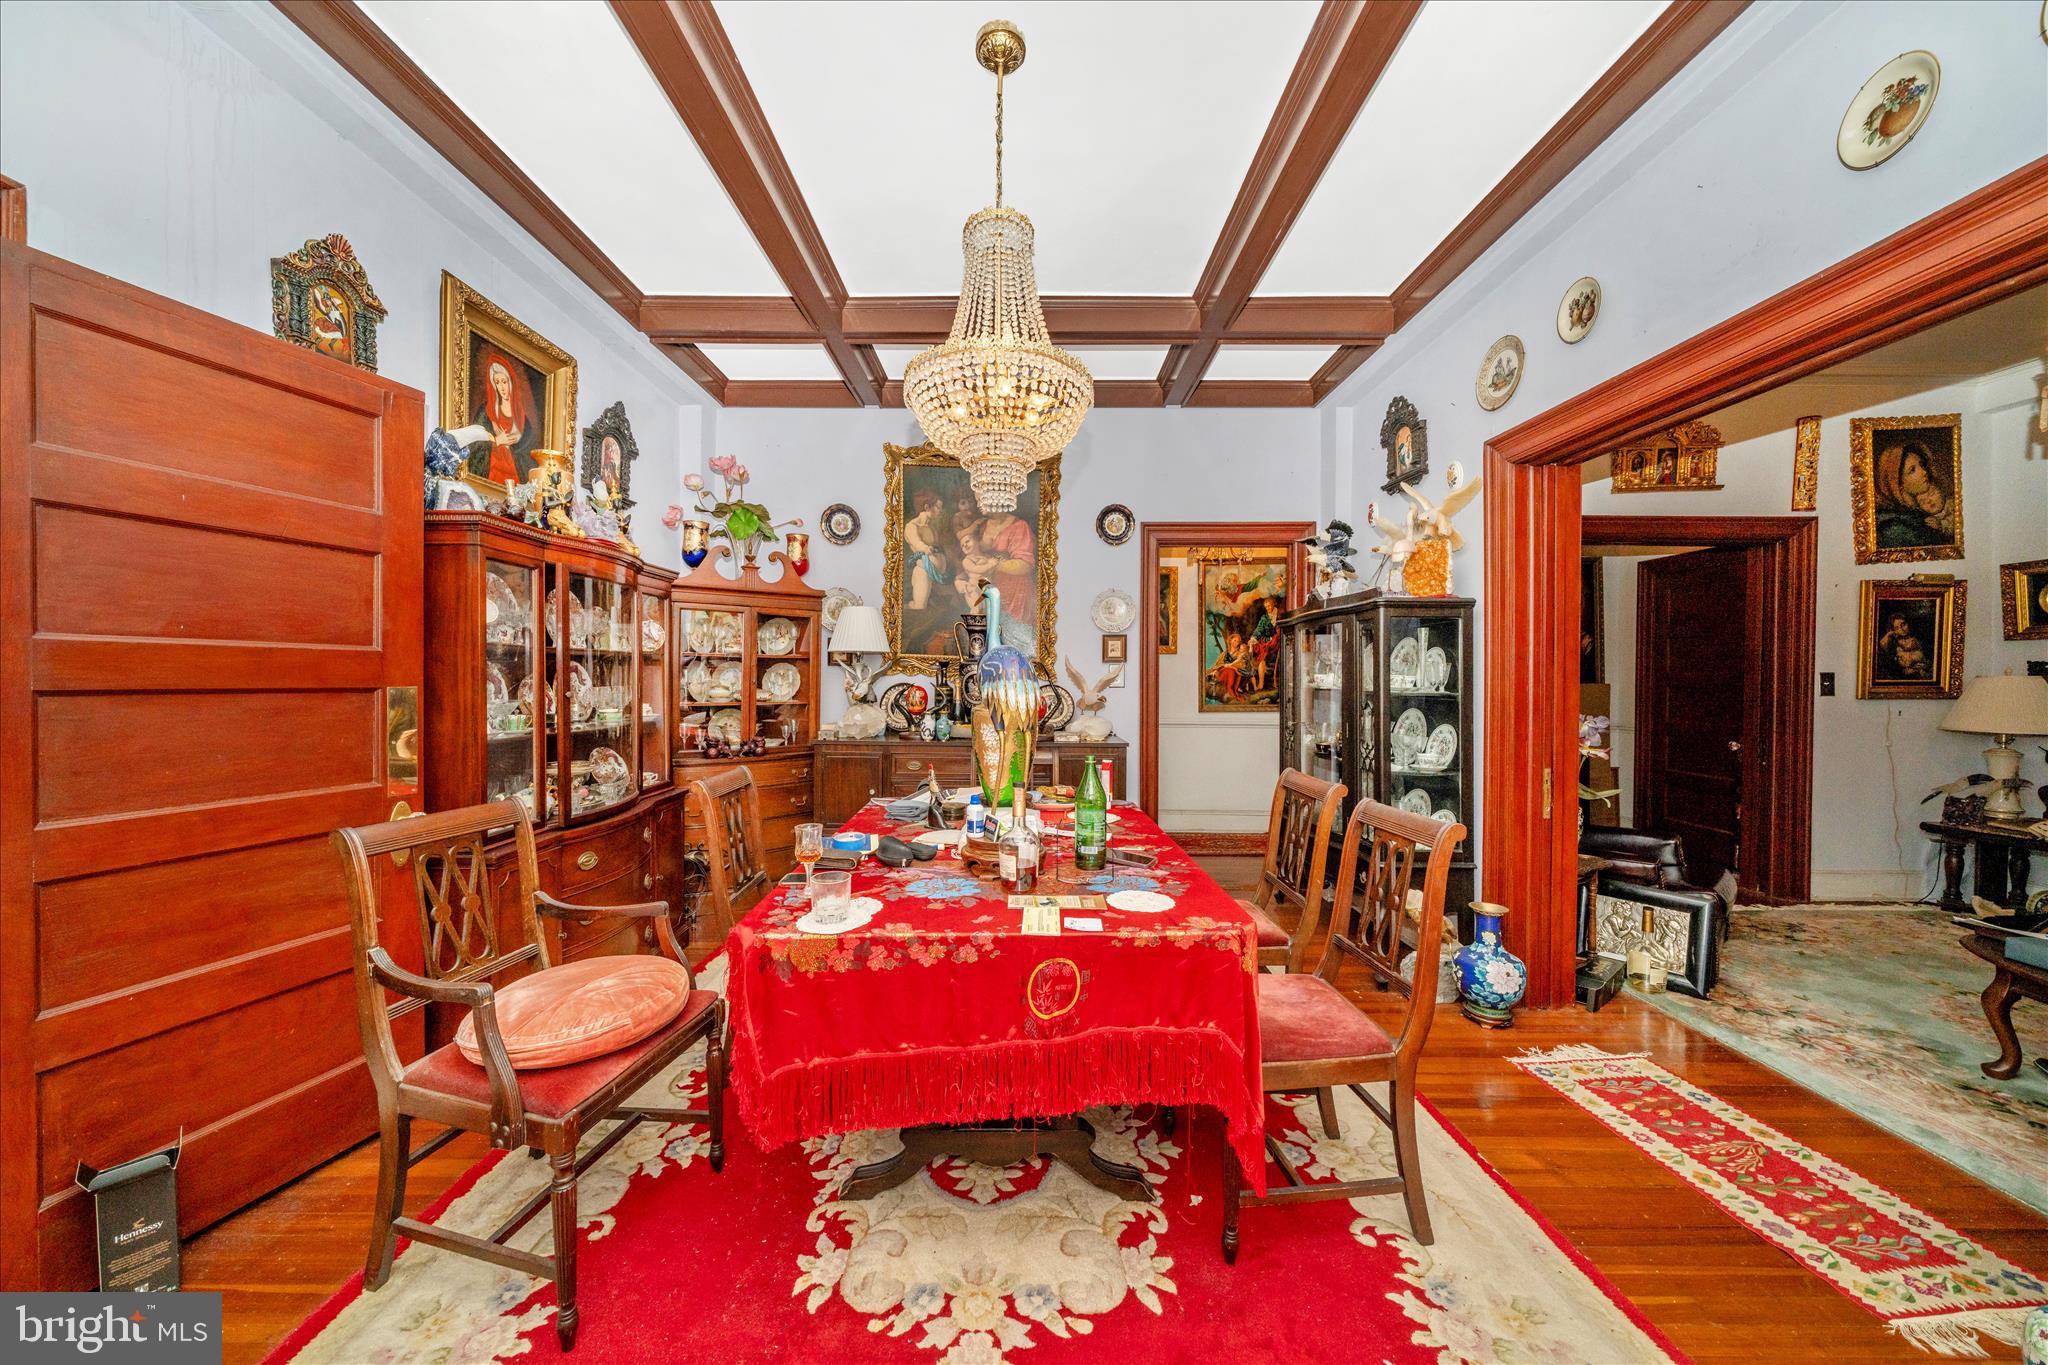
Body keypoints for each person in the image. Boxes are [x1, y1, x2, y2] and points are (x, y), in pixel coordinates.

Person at [469, 348, 539, 484]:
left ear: (511, 382)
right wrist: (497, 441)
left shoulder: (522, 418)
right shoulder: (486, 411)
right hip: (492, 473)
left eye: (504, 382)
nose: (501, 387)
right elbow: (474, 443)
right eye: (497, 382)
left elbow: (529, 453)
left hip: (515, 479)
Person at [1871, 441, 1954, 548]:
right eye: (1912, 470)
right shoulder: (1895, 526)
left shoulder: (1923, 512)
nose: (1924, 472)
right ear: (1897, 483)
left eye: (1921, 465)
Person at [903, 491, 950, 610]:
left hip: (938, 576)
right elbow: (918, 544)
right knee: (920, 606)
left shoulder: (932, 528)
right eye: (938, 507)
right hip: (923, 571)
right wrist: (926, 548)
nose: (940, 511)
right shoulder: (912, 526)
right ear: (927, 507)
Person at [1876, 612, 1930, 678]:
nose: (1901, 629)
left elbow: (1924, 659)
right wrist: (1888, 634)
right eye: (1897, 628)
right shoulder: (1895, 643)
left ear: (1908, 623)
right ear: (1894, 631)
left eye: (1903, 624)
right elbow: (1882, 644)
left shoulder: (1917, 640)